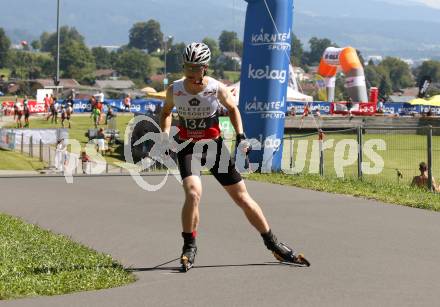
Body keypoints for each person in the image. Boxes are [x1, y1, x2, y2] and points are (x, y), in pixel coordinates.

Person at [159, 42, 310, 272]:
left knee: (242, 197)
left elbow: (232, 109)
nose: (190, 73)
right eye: (187, 67)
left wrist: (240, 136)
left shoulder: (216, 88)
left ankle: (274, 244)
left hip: (214, 148)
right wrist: (164, 136)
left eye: (195, 68)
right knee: (192, 193)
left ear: (205, 68)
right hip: (188, 147)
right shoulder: (175, 89)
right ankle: (189, 246)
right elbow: (166, 112)